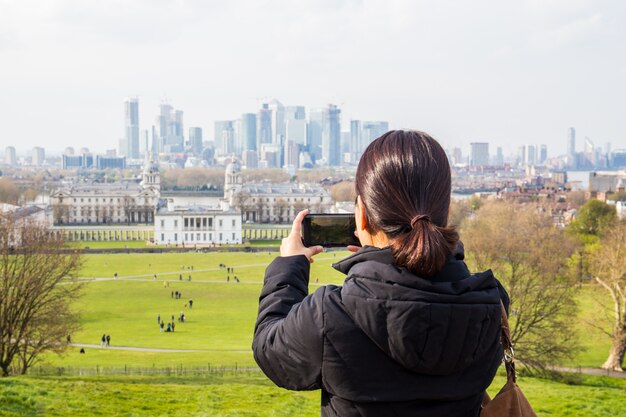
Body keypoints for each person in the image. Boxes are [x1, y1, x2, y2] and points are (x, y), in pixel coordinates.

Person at [252, 130, 509, 417]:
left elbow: (270, 349)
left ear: (361, 215)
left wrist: (290, 265)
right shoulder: (492, 303)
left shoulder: (330, 314)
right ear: (445, 211)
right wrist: (377, 267)